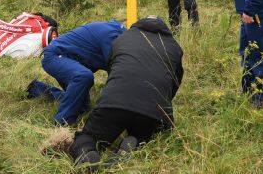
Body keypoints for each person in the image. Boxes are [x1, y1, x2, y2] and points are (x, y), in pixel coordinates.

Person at [68, 16, 184, 168]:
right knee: (144, 134)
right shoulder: (175, 47)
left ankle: (87, 155)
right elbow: (174, 85)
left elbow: (113, 71)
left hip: (114, 102)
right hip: (154, 109)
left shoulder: (122, 38)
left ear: (139, 24)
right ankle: (133, 142)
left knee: (88, 137)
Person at [26, 20, 127, 125]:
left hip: (73, 60)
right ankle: (62, 124)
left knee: (82, 107)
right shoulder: (113, 38)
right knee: (83, 76)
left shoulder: (121, 36)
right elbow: (118, 75)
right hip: (56, 56)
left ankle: (36, 88)